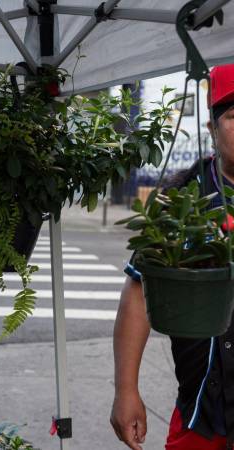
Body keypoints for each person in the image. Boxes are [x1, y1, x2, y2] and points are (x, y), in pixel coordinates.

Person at [111, 64, 234, 450]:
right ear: (212, 130)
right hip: (202, 404)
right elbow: (138, 292)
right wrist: (126, 389)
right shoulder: (180, 197)